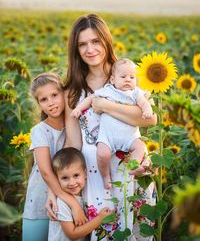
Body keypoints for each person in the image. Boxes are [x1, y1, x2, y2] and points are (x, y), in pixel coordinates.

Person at [46, 14, 157, 240]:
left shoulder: (127, 76)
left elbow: (149, 119)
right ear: (75, 50)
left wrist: (105, 105)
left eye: (95, 41)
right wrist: (55, 190)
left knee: (139, 230)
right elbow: (73, 143)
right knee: (107, 230)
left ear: (106, 41)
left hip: (131, 165)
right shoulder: (73, 91)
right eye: (82, 44)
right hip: (96, 173)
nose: (90, 49)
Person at [22, 73, 87, 241]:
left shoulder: (73, 128)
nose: (50, 102)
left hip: (69, 199)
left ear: (63, 95)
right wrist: (73, 204)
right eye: (44, 100)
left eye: (54, 95)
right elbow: (45, 172)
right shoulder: (40, 131)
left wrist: (73, 204)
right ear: (39, 104)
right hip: (41, 201)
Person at [71, 58, 153, 189]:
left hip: (129, 136)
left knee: (140, 146)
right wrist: (78, 109)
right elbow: (91, 98)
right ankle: (106, 176)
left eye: (132, 77)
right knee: (102, 154)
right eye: (123, 76)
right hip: (108, 137)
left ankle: (134, 166)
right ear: (113, 79)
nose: (128, 79)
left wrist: (147, 110)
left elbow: (144, 103)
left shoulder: (136, 92)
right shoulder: (108, 90)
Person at [48, 147, 114, 241]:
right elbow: (72, 234)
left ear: (85, 174)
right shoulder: (61, 203)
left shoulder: (86, 194)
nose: (71, 182)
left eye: (76, 175)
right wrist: (100, 218)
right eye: (65, 178)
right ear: (57, 179)